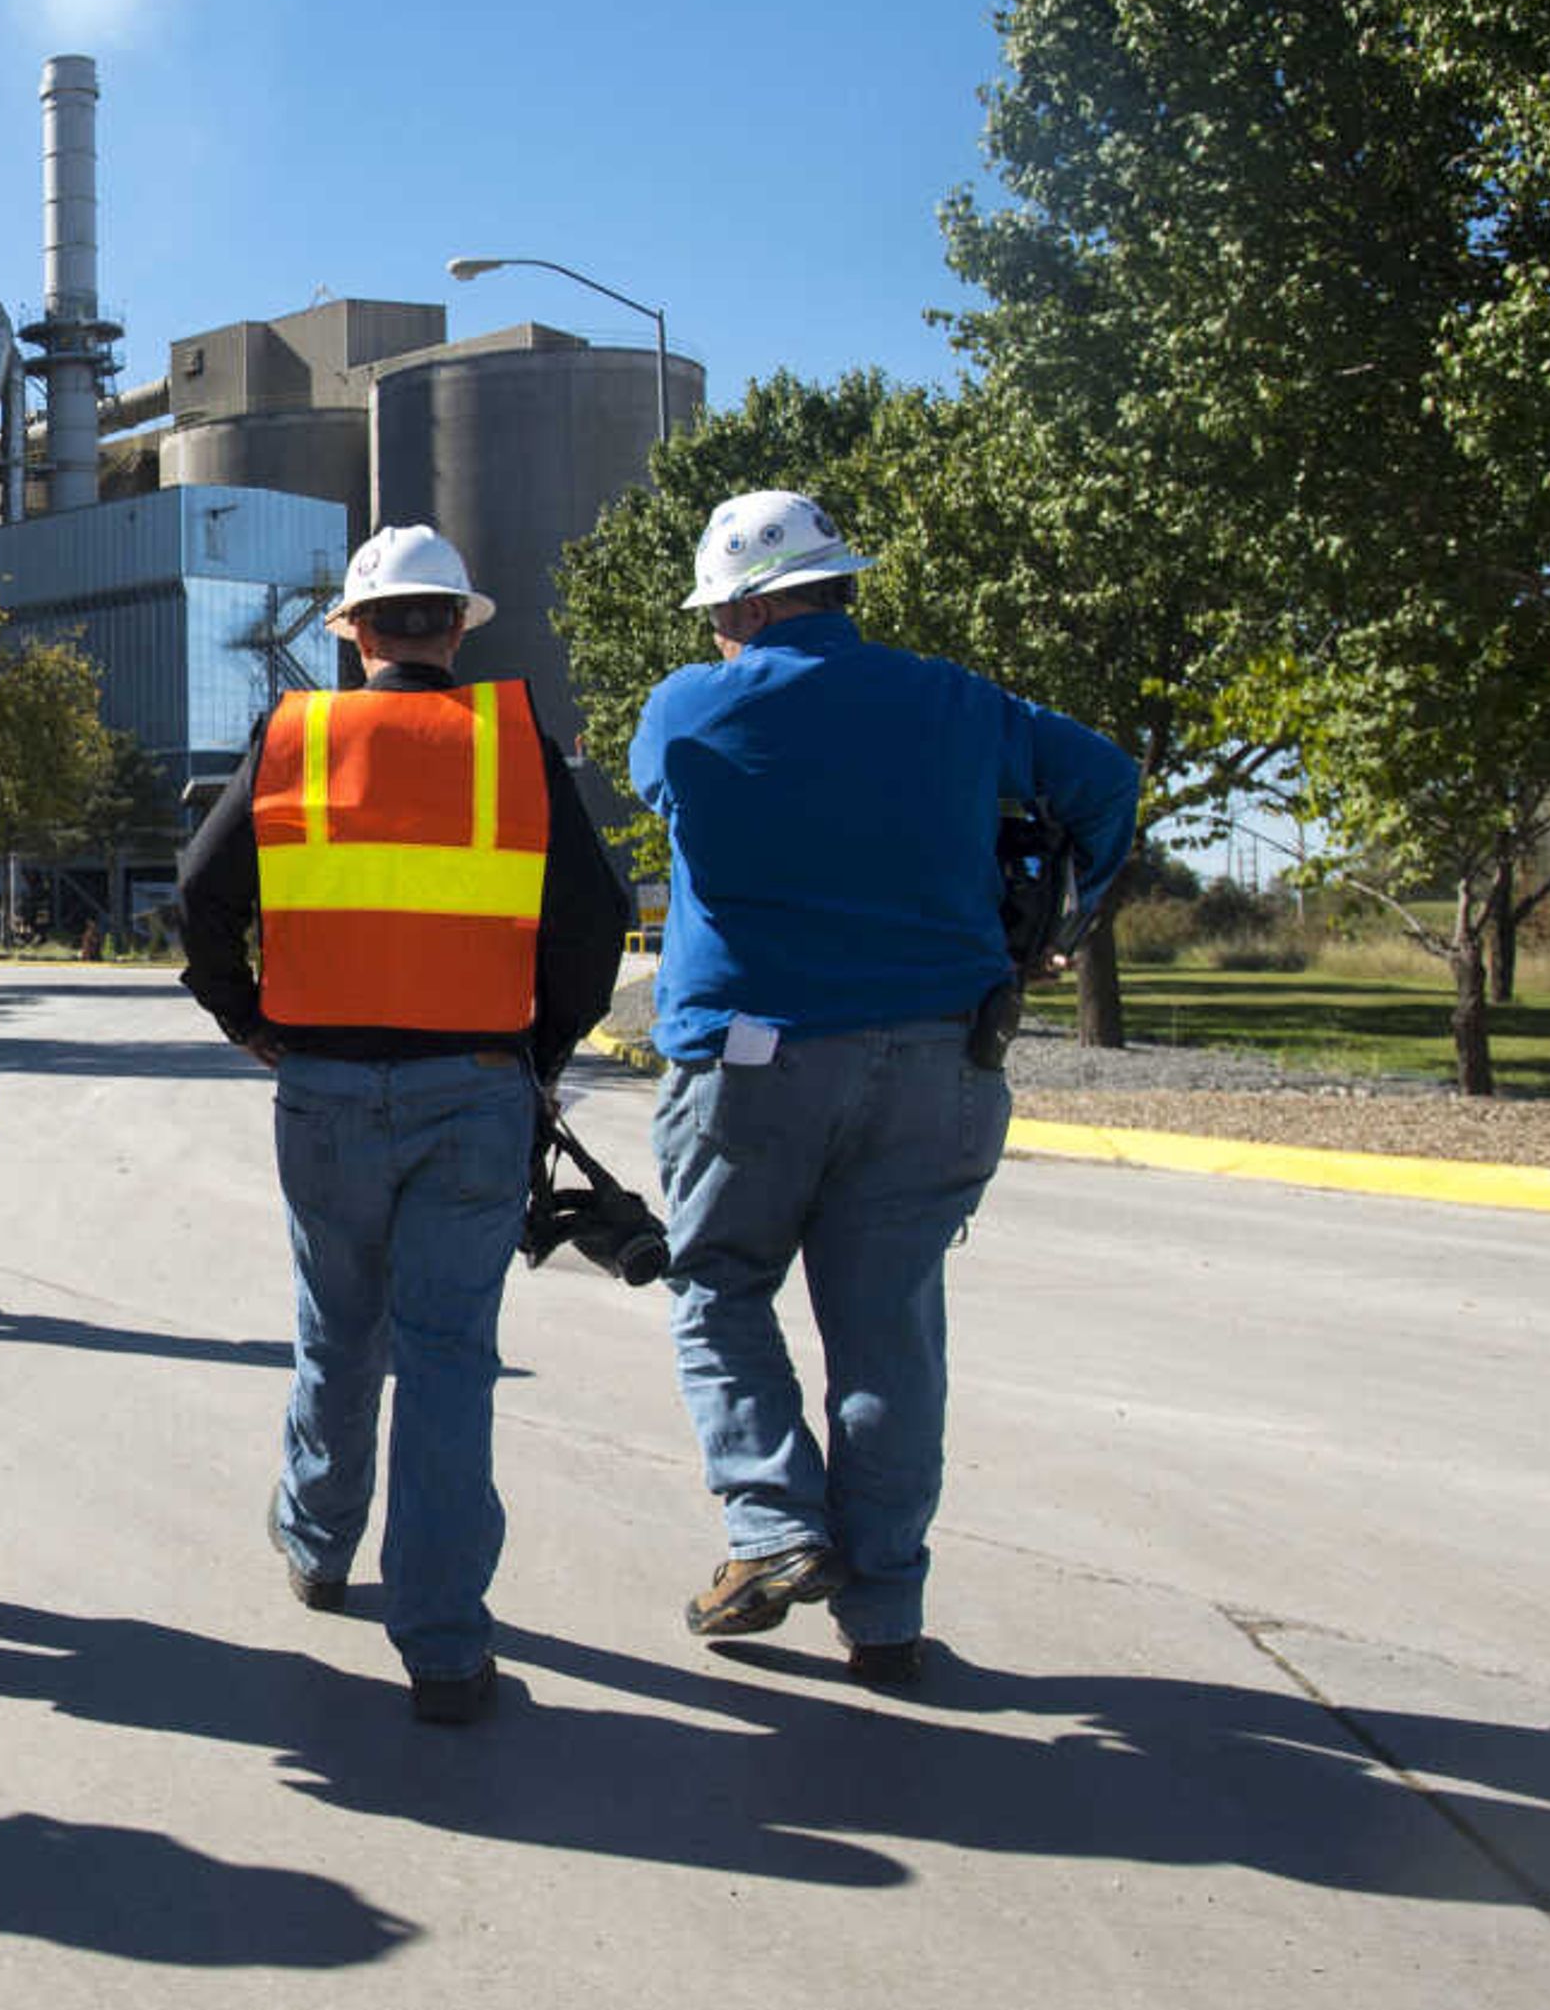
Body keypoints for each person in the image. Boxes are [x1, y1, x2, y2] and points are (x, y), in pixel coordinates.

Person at [626, 489, 1135, 1692]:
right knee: (889, 1333)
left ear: (744, 605)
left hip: (750, 1058)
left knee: (719, 1289)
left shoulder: (687, 705)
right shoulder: (957, 700)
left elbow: (666, 794)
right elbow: (1102, 777)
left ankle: (771, 1527)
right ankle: (886, 1613)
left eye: (718, 614)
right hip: (939, 1058)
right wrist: (1065, 918)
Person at [175, 524, 630, 1725]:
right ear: (453, 628)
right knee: (446, 1360)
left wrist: (247, 1018)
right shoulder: (512, 748)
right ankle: (442, 1646)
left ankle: (319, 1548)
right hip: (475, 1089)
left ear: (358, 631)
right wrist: (541, 1049)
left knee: (338, 1328)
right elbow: (593, 922)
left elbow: (197, 893)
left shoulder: (296, 736)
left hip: (322, 1085)